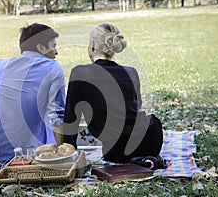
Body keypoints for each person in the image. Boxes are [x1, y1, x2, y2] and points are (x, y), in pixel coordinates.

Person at [63, 23, 163, 164]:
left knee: (116, 145)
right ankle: (143, 160)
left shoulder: (80, 73)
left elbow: (71, 119)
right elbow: (136, 106)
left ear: (92, 46)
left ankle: (137, 161)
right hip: (150, 139)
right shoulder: (131, 72)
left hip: (115, 148)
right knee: (152, 120)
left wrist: (69, 152)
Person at [0, 23, 65, 162]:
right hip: (22, 152)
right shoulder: (53, 68)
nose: (56, 52)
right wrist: (62, 154)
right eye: (53, 46)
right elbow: (57, 115)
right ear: (41, 47)